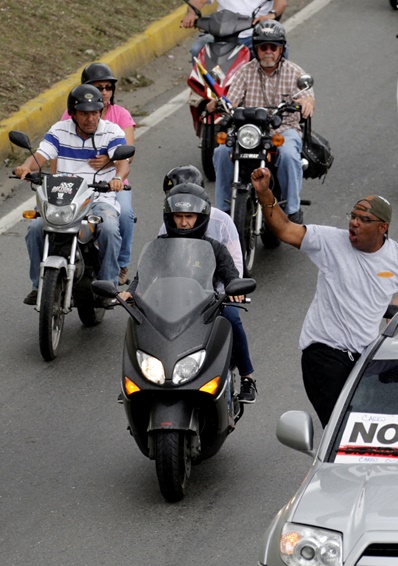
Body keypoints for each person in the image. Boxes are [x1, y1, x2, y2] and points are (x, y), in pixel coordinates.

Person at [250, 166, 398, 425]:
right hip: (324, 354)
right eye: (353, 216)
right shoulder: (329, 242)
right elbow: (285, 229)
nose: (354, 222)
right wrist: (264, 193)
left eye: (364, 219)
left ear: (382, 228)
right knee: (340, 426)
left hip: (364, 355)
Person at [124, 183, 259, 403]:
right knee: (137, 321)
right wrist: (131, 293)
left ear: (201, 217)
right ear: (170, 217)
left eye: (189, 216)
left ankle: (247, 376)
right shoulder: (159, 247)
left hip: (207, 305)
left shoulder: (215, 248)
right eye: (178, 216)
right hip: (169, 304)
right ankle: (136, 378)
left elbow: (231, 275)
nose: (184, 222)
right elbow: (143, 276)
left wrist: (235, 289)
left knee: (233, 318)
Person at [15, 84, 128, 306]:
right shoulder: (59, 130)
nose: (90, 118)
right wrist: (26, 166)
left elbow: (123, 163)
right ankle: (38, 287)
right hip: (62, 197)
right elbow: (41, 155)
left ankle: (109, 286)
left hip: (98, 197)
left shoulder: (112, 131)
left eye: (95, 112)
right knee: (35, 229)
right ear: (73, 113)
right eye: (84, 113)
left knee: (109, 229)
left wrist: (117, 179)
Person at [212, 20, 314, 224]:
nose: (268, 51)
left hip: (282, 131)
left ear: (281, 49)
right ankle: (222, 210)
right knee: (221, 152)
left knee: (288, 155)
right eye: (263, 47)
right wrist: (218, 104)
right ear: (256, 49)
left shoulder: (294, 72)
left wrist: (306, 101)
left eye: (273, 47)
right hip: (249, 132)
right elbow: (230, 101)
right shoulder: (244, 71)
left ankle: (292, 210)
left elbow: (308, 96)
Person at [61, 63, 137, 284]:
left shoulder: (120, 115)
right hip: (76, 182)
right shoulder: (69, 116)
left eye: (107, 87)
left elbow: (128, 156)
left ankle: (121, 265)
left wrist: (110, 161)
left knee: (123, 215)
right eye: (98, 87)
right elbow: (56, 148)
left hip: (112, 182)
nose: (103, 92)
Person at [157, 165, 244, 275]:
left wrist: (231, 290)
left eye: (189, 216)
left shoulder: (222, 223)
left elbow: (235, 267)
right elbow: (156, 265)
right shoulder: (167, 225)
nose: (183, 223)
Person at [182, 0, 287, 60]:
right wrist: (191, 14)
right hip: (222, 35)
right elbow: (198, 1)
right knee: (197, 49)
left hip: (257, 34)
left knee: (280, 49)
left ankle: (281, 86)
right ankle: (202, 87)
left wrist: (271, 15)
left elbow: (281, 3)